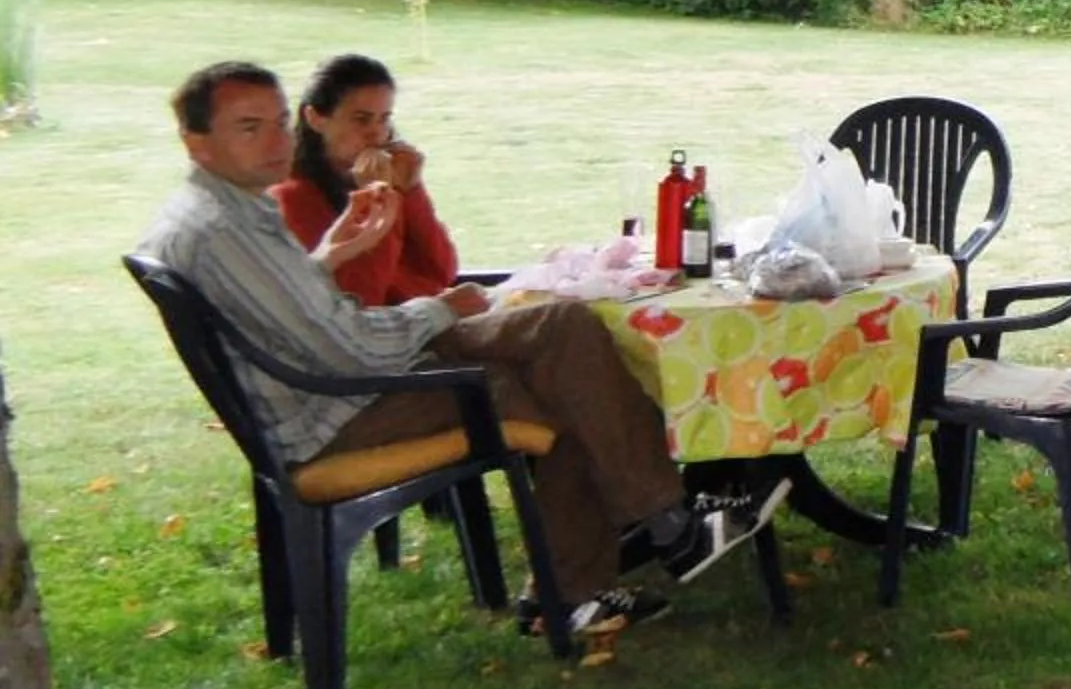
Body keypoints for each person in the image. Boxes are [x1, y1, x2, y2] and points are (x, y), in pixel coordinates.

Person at [141, 61, 784, 638]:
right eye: (249, 127)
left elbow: (306, 309)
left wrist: (339, 251)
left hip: (344, 375)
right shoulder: (226, 229)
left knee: (566, 335)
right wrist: (437, 308)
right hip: (340, 407)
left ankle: (638, 549)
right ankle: (649, 541)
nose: (277, 140)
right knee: (565, 375)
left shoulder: (222, 211)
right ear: (196, 142)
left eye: (278, 123)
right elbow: (347, 346)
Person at [271, 53, 459, 308]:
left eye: (384, 119)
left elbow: (442, 272)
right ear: (315, 118)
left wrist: (412, 192)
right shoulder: (294, 197)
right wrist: (379, 206)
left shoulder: (386, 176)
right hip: (392, 333)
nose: (376, 134)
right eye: (361, 119)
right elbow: (360, 299)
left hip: (430, 317)